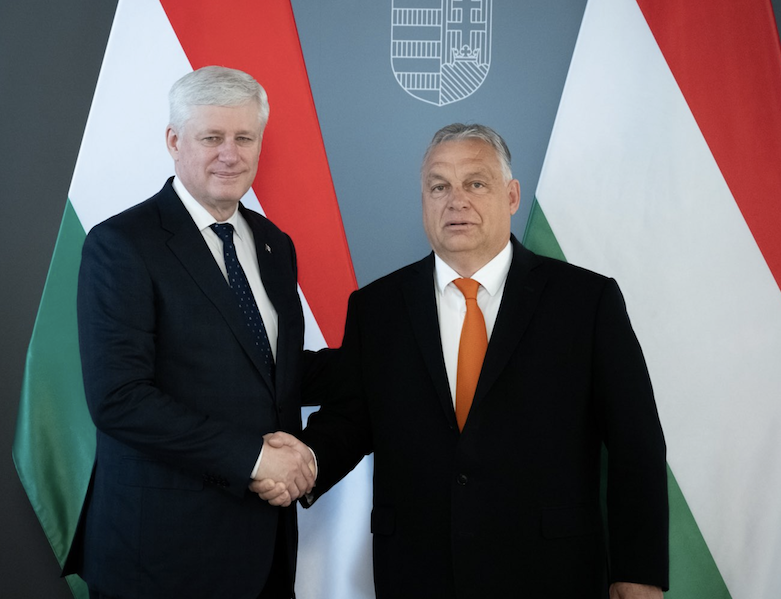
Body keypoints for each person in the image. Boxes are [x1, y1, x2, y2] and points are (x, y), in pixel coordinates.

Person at [259, 123, 669, 598]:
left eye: (476, 183)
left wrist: (638, 573)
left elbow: (635, 444)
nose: (456, 200)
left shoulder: (586, 301)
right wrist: (306, 459)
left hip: (552, 572)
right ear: (423, 201)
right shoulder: (377, 308)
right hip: (418, 571)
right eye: (439, 186)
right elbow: (352, 418)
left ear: (511, 196)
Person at [65, 66, 317, 599]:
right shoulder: (122, 244)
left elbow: (273, 368)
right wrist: (254, 457)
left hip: (264, 551)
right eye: (212, 137)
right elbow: (119, 398)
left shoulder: (275, 244)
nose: (230, 153)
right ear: (174, 141)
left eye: (244, 137)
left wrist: (388, 357)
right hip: (160, 556)